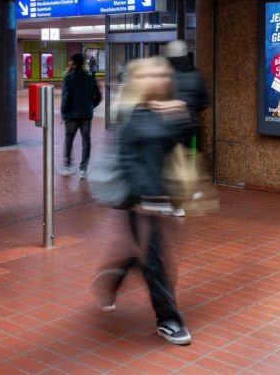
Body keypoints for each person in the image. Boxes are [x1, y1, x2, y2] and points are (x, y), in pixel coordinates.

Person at [91, 57, 193, 345]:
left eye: (162, 74)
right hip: (141, 202)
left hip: (163, 199)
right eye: (150, 75)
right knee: (156, 262)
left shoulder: (163, 111)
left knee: (149, 256)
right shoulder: (130, 114)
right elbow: (127, 161)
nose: (158, 80)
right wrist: (141, 199)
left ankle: (114, 275)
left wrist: (179, 109)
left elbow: (188, 139)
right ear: (137, 80)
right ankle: (169, 320)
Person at [59, 53, 102, 179]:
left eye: (70, 61)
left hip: (71, 116)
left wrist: (63, 112)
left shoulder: (68, 77)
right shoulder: (90, 77)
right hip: (86, 115)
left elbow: (66, 98)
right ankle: (83, 169)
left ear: (73, 63)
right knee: (86, 141)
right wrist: (90, 106)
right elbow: (98, 96)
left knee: (69, 140)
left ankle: (67, 166)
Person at [164, 40, 209, 148]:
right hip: (191, 128)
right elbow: (204, 102)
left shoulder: (165, 76)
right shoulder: (196, 75)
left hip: (168, 130)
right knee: (191, 159)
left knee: (171, 160)